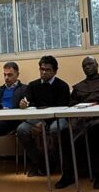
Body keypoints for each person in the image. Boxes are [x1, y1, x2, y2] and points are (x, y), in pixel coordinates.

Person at [60, 56, 99, 190]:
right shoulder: (78, 87)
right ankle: (68, 174)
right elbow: (71, 106)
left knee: (97, 128)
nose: (88, 67)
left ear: (97, 65)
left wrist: (94, 113)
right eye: (85, 65)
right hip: (81, 119)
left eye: (90, 64)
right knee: (65, 131)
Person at [15, 55, 71, 183]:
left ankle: (58, 162)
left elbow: (62, 108)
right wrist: (23, 103)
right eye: (41, 69)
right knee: (22, 129)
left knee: (55, 129)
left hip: (57, 117)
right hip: (38, 118)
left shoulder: (62, 86)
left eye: (47, 70)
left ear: (55, 71)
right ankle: (41, 162)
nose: (44, 72)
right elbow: (27, 100)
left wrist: (45, 122)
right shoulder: (33, 85)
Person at [0, 61, 28, 158]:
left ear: (17, 74)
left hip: (13, 121)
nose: (7, 78)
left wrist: (24, 105)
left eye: (10, 75)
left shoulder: (25, 89)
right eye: (5, 75)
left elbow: (28, 104)